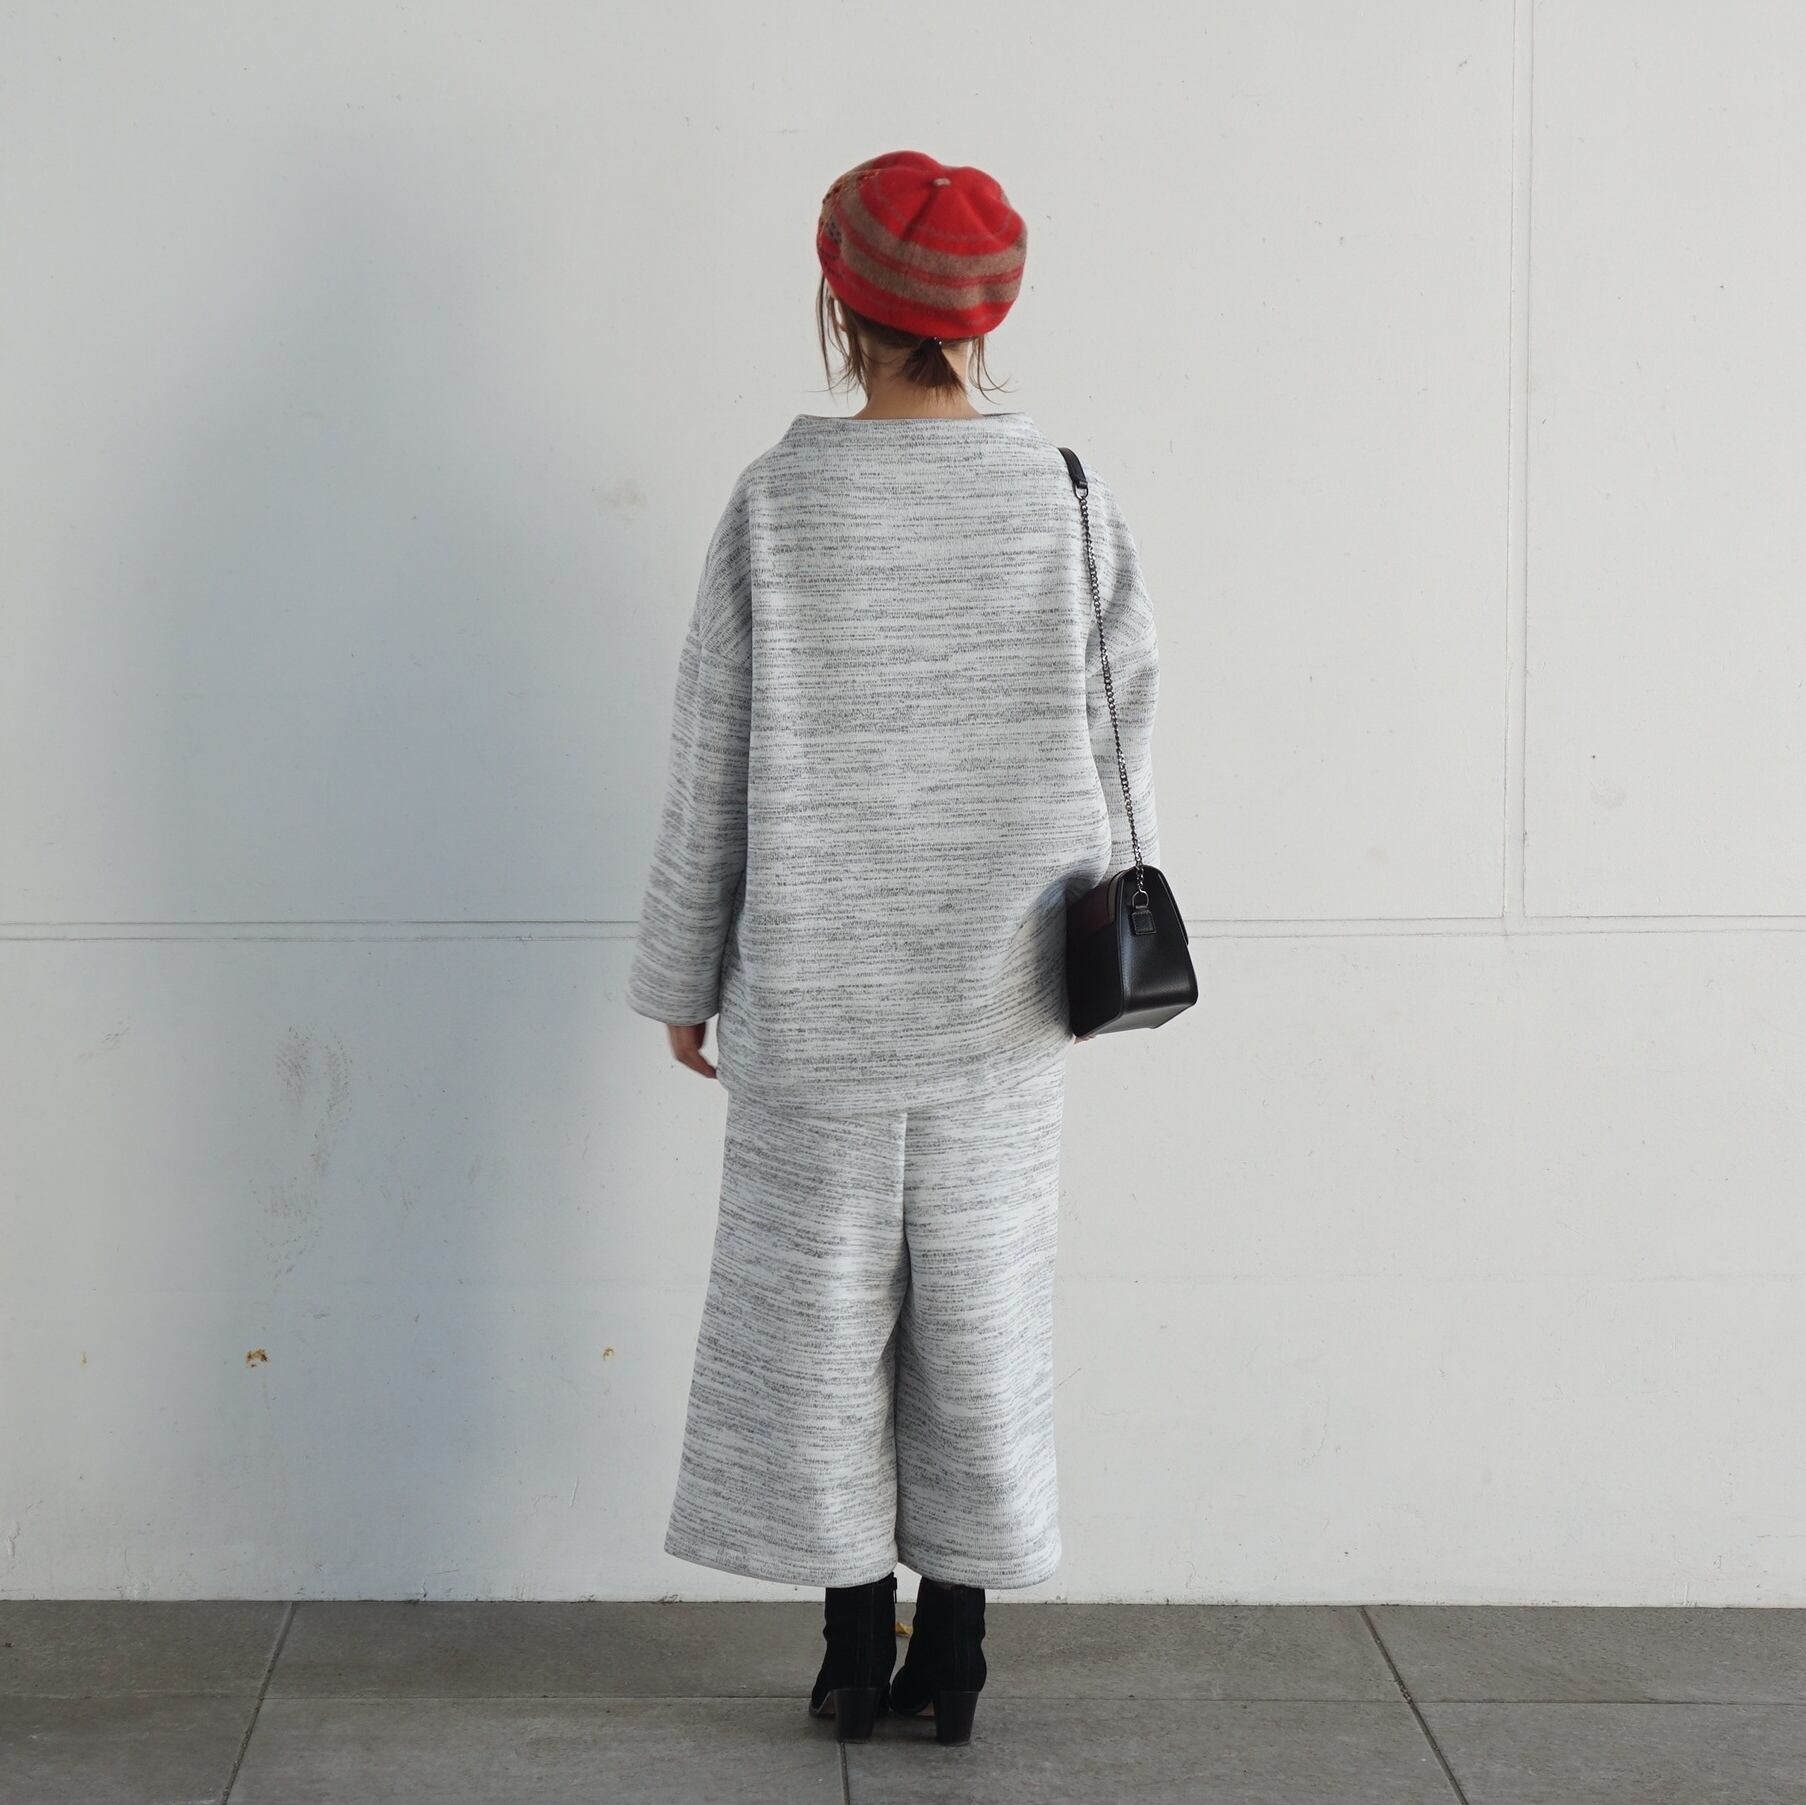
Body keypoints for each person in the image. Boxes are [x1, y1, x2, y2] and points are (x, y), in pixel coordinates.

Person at [625, 148, 1164, 1746]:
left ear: (837, 298)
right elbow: (1123, 739)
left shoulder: (778, 501)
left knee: (811, 1327)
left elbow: (711, 758)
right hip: (1007, 999)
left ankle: (854, 1649)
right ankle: (962, 1652)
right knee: (982, 1319)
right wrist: (1105, 930)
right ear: (989, 312)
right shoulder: (1066, 496)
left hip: (813, 996)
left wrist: (680, 976)